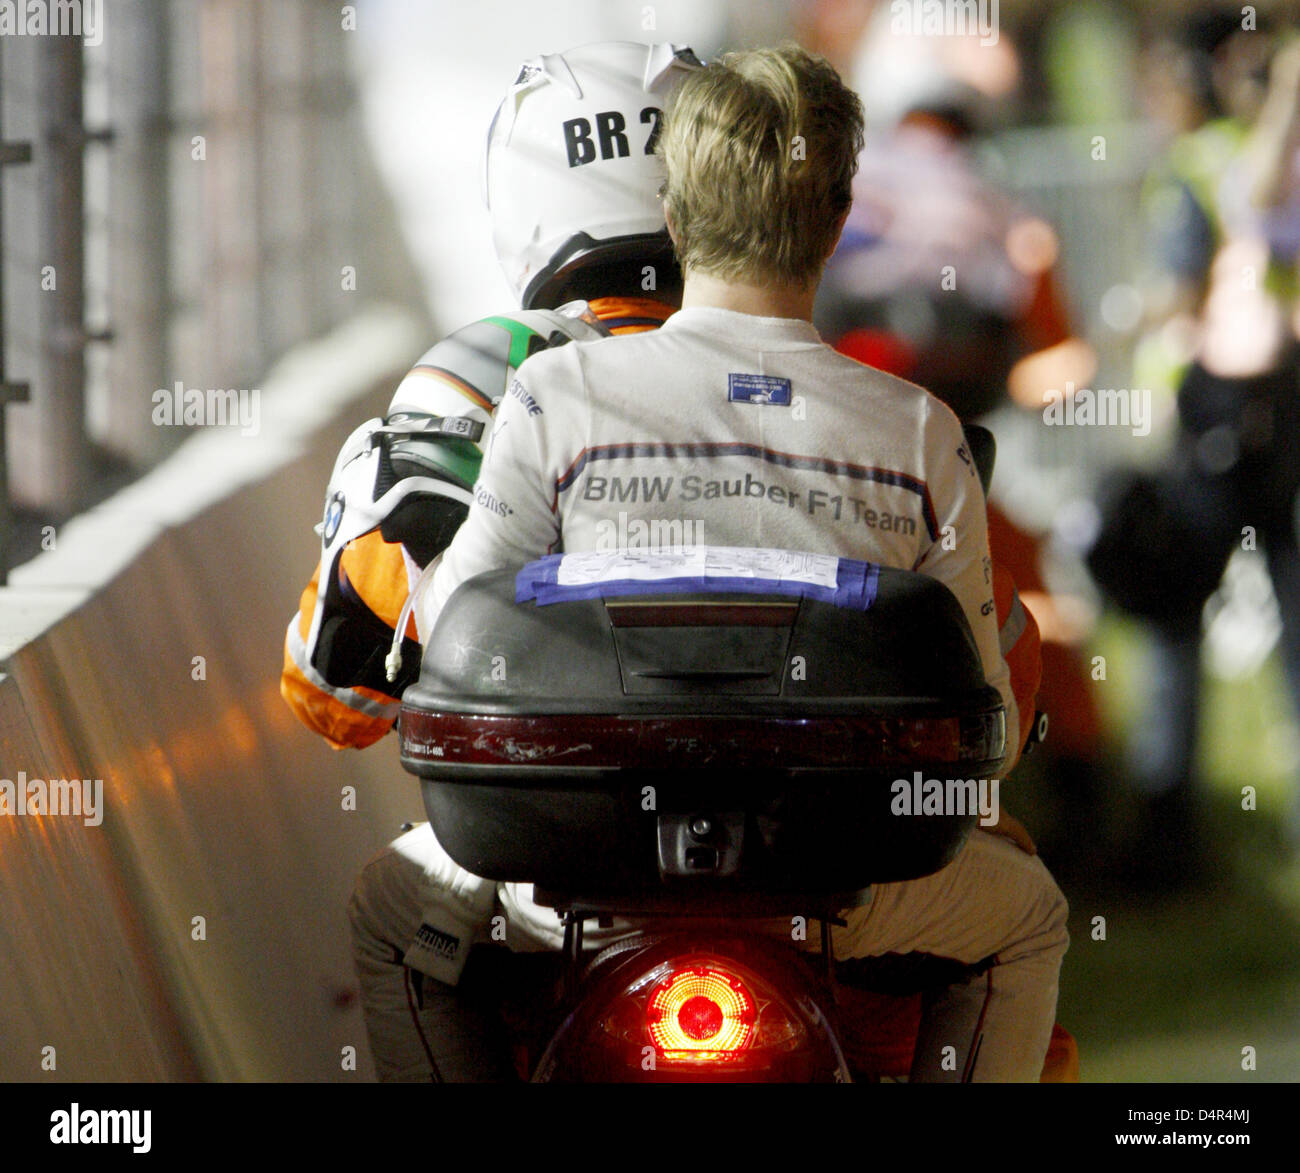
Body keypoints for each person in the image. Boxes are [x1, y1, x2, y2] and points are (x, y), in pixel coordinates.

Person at [422, 43, 1068, 1082]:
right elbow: (976, 724)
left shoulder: (557, 397)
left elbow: (451, 635)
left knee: (386, 915)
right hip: (841, 883)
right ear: (835, 220)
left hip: (581, 869)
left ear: (676, 215)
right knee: (1026, 918)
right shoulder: (920, 433)